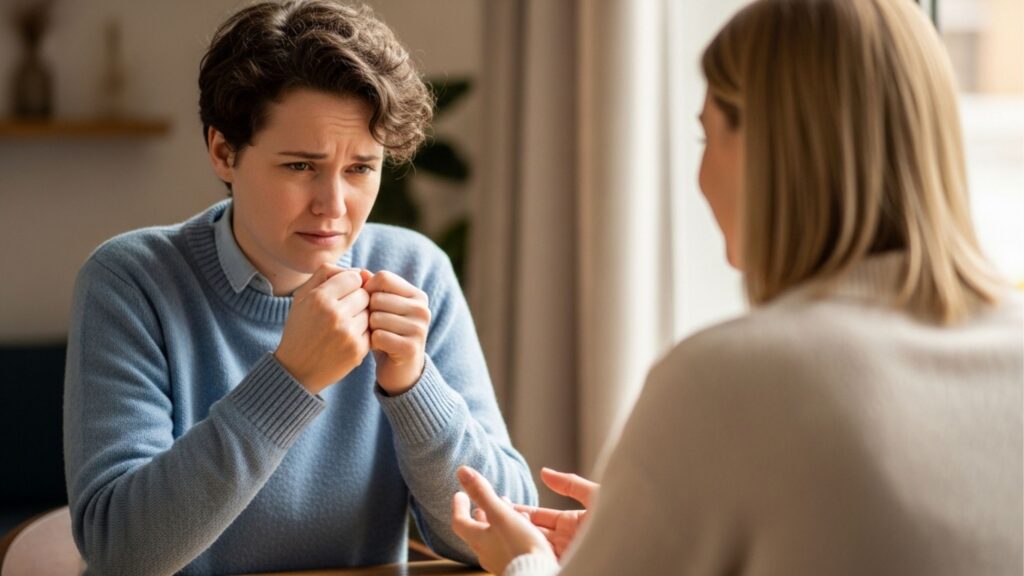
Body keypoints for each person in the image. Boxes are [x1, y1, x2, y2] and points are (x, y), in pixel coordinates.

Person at [449, 0, 1024, 574]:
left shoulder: (727, 377)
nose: (701, 178)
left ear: (768, 150)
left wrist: (527, 564)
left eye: (706, 139)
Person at [62, 2, 537, 574]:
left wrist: (413, 386)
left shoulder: (415, 270)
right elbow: (121, 553)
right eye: (300, 167)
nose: (334, 207)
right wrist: (292, 378)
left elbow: (507, 536)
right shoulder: (131, 281)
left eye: (361, 168)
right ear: (223, 151)